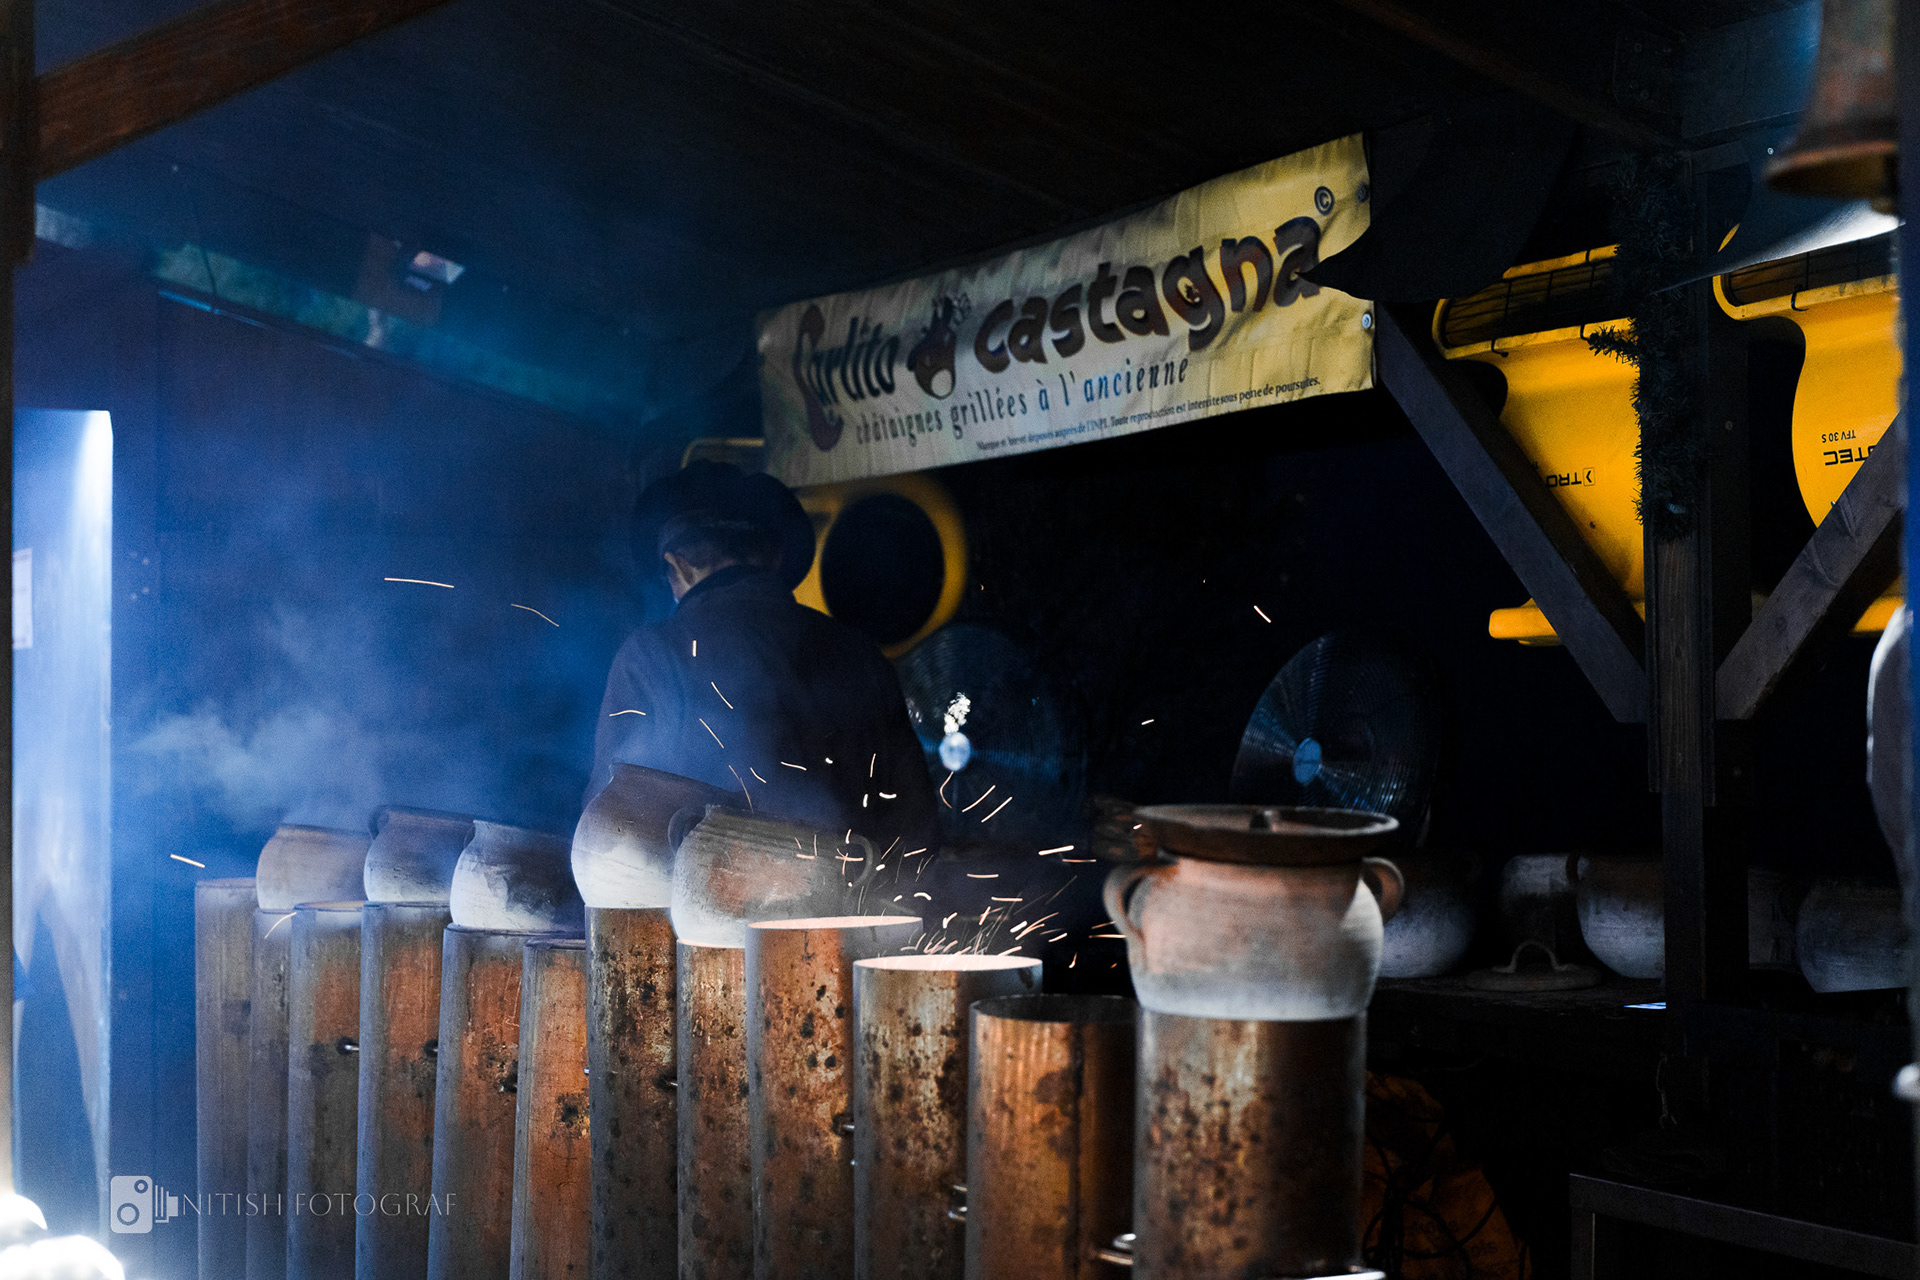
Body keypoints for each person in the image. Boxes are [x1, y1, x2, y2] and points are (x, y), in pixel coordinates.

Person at [589, 460, 938, 855]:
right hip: (854, 908)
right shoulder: (859, 653)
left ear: (678, 566)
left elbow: (610, 832)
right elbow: (915, 829)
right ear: (775, 559)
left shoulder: (653, 654)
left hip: (701, 911)